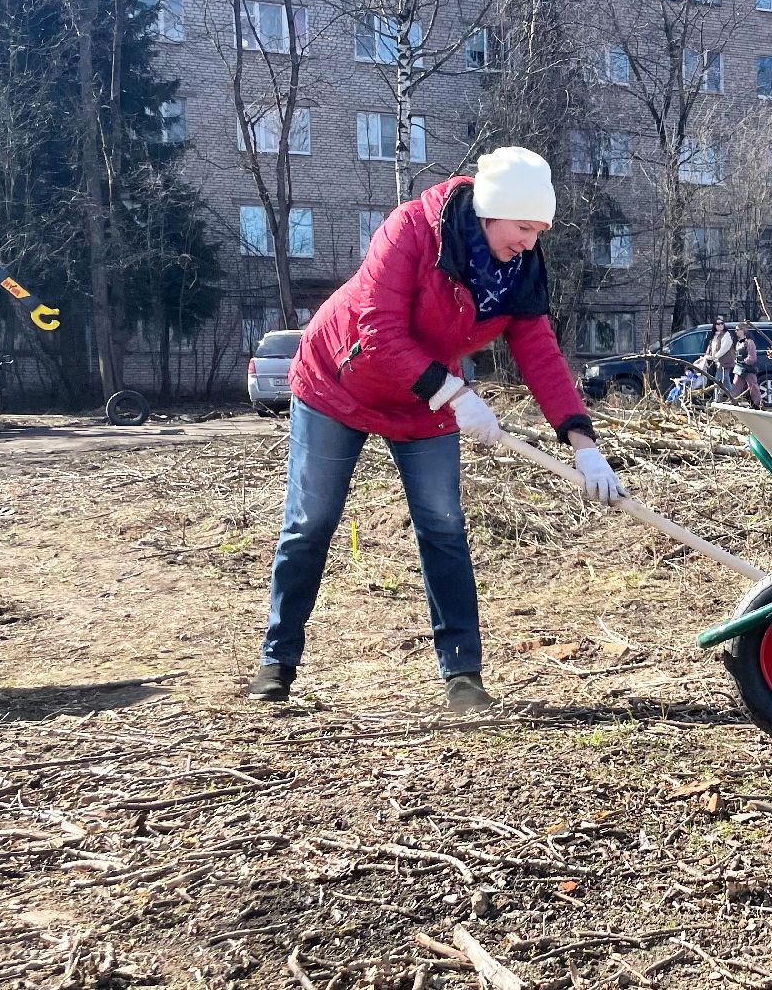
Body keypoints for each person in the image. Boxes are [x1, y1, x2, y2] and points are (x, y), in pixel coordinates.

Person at [248, 147, 624, 714]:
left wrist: (583, 444)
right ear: (489, 211)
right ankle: (278, 661)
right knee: (312, 521)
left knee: (443, 525)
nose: (528, 241)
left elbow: (539, 352)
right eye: (522, 228)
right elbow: (376, 328)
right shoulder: (412, 231)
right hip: (337, 382)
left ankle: (463, 677)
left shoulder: (519, 268)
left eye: (538, 231)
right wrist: (454, 393)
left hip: (423, 400)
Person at [700, 315, 734, 401]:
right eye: (718, 324)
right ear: (715, 325)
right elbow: (711, 347)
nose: (720, 325)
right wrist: (707, 356)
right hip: (717, 361)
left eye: (722, 323)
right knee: (725, 379)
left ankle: (717, 399)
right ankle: (731, 396)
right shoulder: (714, 336)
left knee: (719, 379)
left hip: (724, 361)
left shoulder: (726, 335)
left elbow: (724, 348)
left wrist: (714, 357)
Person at [730, 321, 763, 409]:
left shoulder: (749, 342)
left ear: (743, 330)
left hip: (748, 368)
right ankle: (732, 402)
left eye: (737, 330)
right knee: (736, 385)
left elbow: (752, 357)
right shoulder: (738, 343)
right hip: (739, 368)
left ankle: (757, 404)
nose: (735, 331)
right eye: (735, 330)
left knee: (752, 386)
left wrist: (745, 361)